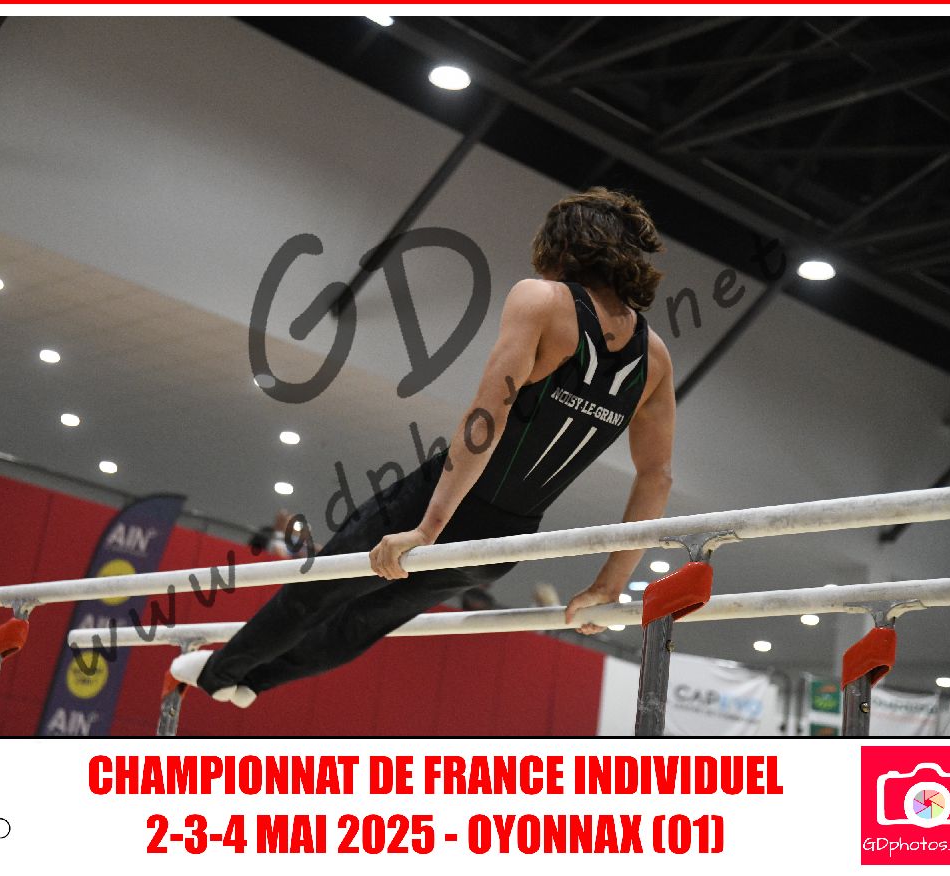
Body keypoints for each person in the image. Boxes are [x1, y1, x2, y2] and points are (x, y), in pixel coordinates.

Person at [172, 187, 677, 708]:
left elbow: (487, 417)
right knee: (364, 621)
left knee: (319, 588)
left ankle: (219, 673)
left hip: (438, 506)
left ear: (564, 247)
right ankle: (251, 683)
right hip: (505, 544)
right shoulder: (656, 359)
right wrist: (609, 585)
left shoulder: (543, 301)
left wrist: (428, 528)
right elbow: (656, 477)